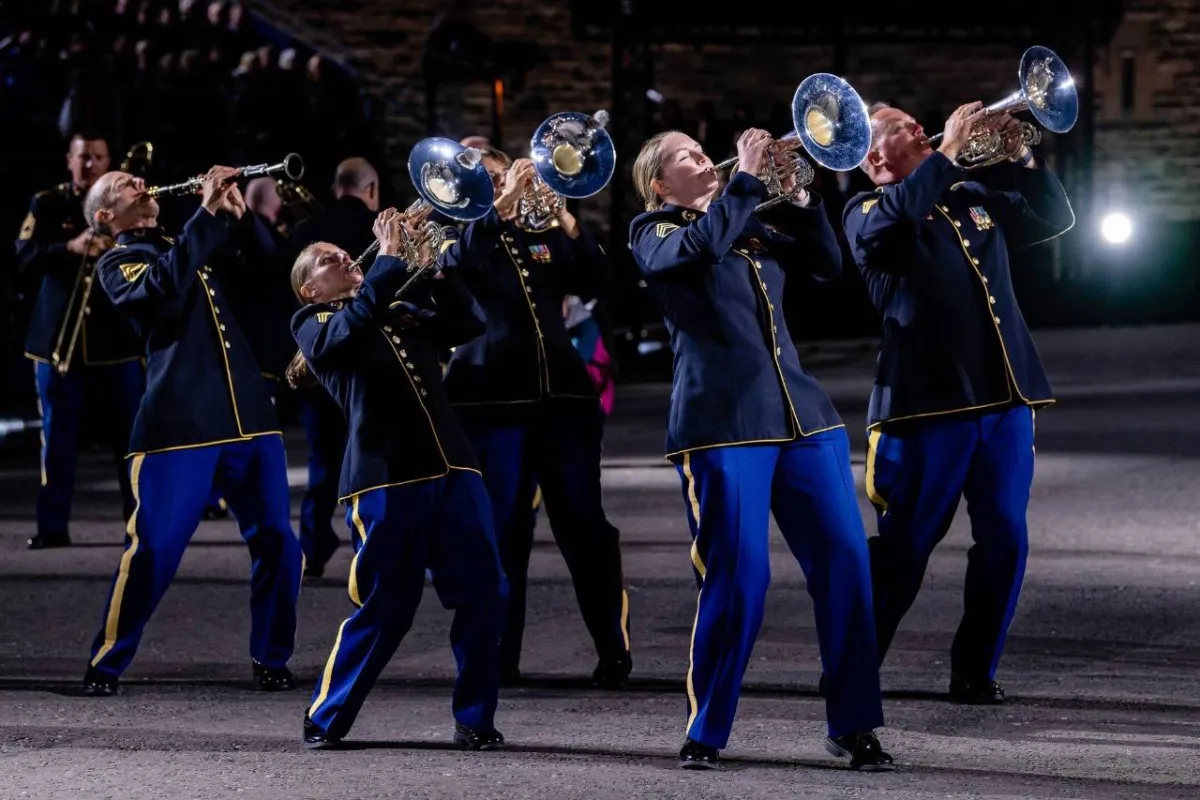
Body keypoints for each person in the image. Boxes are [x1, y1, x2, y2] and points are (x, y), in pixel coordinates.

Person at [628, 128, 893, 771]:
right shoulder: (654, 232)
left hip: (804, 416)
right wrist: (745, 180)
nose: (704, 158)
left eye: (703, 150)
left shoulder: (749, 219)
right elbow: (699, 246)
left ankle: (853, 723)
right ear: (661, 184)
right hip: (722, 424)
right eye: (687, 157)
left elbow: (828, 264)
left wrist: (802, 197)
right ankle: (708, 727)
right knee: (742, 577)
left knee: (847, 566)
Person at [841, 102, 1075, 703]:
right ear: (872, 158)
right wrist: (943, 152)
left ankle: (975, 669)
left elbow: (1053, 218)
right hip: (927, 407)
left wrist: (1020, 153)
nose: (917, 125)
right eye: (897, 126)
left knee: (1006, 538)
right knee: (906, 546)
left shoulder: (969, 193)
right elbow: (896, 222)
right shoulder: (866, 209)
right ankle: (852, 665)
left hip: (1003, 396)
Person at [290, 207, 508, 751]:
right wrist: (386, 259)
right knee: (388, 606)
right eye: (323, 261)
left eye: (341, 253)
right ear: (309, 291)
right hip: (384, 476)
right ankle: (327, 715)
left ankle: (475, 719)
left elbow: (468, 323)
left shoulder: (397, 305)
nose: (341, 256)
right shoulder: (313, 324)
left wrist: (436, 269)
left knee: (486, 591)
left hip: (453, 465)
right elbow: (348, 329)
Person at [80, 165, 303, 696]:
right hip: (179, 424)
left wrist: (241, 220)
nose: (141, 185)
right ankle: (106, 662)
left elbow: (267, 275)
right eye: (124, 185)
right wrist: (205, 214)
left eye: (139, 178)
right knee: (154, 549)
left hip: (248, 415)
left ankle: (272, 657)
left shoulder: (188, 242)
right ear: (107, 215)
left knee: (279, 543)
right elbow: (161, 291)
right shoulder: (119, 261)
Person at [440, 146, 631, 688]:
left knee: (585, 527)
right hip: (491, 402)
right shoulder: (450, 230)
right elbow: (462, 270)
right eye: (485, 178)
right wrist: (499, 203)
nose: (504, 184)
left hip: (563, 401)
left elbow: (596, 283)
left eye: (500, 174)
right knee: (503, 530)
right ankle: (500, 654)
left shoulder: (539, 230)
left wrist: (569, 221)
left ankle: (611, 648)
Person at [14, 131, 144, 549]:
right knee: (57, 437)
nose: (90, 164)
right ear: (69, 160)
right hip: (58, 341)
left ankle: (139, 525)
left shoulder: (126, 202)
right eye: (83, 157)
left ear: (109, 161)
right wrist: (67, 248)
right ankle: (53, 527)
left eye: (98, 157)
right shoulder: (47, 203)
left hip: (115, 340)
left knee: (130, 438)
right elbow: (23, 256)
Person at [287, 157, 381, 576]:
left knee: (323, 463)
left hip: (329, 374)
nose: (345, 261)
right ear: (372, 189)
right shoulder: (375, 228)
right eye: (331, 260)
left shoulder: (308, 228)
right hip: (339, 353)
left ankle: (313, 549)